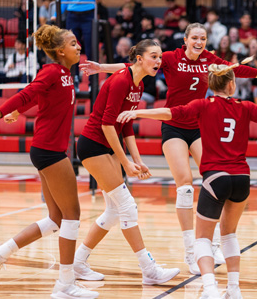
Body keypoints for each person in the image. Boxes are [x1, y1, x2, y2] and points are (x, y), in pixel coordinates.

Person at [116, 63, 257, 299]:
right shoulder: (245, 107)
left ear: (211, 85)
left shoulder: (202, 105)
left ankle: (211, 289)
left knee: (202, 238)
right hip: (242, 178)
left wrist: (138, 112)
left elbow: (170, 113)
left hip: (216, 177)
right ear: (232, 84)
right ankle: (234, 289)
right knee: (229, 235)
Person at [79, 22, 257, 275]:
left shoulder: (208, 59)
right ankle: (191, 253)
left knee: (216, 177)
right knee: (186, 186)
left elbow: (235, 69)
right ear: (185, 40)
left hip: (198, 126)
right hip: (173, 126)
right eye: (195, 38)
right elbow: (132, 66)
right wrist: (101, 68)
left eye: (203, 38)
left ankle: (215, 244)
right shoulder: (168, 58)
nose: (199, 42)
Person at [0, 24, 98, 298]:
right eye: (73, 43)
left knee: (56, 219)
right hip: (49, 151)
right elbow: (27, 92)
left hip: (50, 148)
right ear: (59, 51)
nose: (78, 46)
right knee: (73, 215)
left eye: (77, 42)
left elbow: (44, 100)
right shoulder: (52, 70)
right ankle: (65, 284)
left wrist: (18, 112)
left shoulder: (65, 74)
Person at [73, 39, 180, 284]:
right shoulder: (122, 80)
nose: (159, 61)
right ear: (139, 59)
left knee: (113, 211)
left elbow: (127, 123)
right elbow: (107, 125)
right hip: (93, 145)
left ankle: (79, 262)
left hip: (107, 145)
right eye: (154, 56)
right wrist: (125, 162)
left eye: (161, 57)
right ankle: (149, 270)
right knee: (127, 206)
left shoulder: (138, 84)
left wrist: (137, 160)